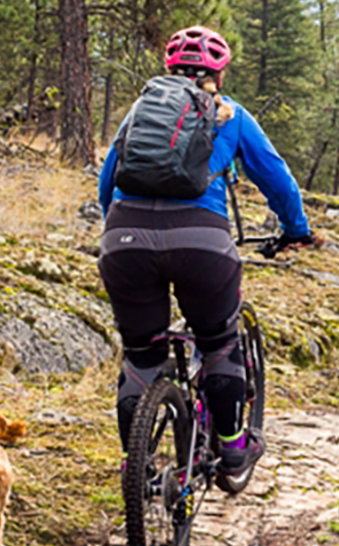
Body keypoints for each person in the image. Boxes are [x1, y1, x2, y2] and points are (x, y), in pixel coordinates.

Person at [96, 25, 313, 477]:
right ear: (219, 73)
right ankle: (234, 447)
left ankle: (134, 465)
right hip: (203, 244)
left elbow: (107, 185)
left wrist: (118, 235)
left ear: (170, 70)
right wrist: (296, 229)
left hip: (125, 238)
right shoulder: (231, 115)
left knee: (140, 353)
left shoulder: (138, 113)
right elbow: (276, 178)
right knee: (217, 343)